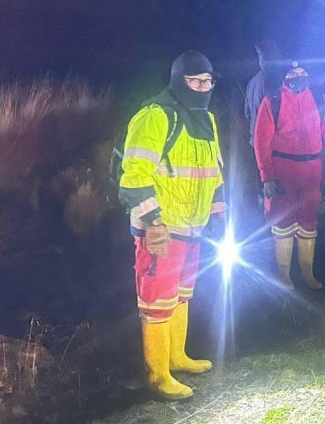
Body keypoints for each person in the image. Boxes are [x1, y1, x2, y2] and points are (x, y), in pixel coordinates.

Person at [118, 50, 226, 400]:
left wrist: (220, 216)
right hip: (161, 230)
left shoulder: (206, 120)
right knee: (156, 302)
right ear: (179, 80)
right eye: (195, 81)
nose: (203, 87)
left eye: (208, 81)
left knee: (181, 297)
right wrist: (153, 222)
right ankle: (158, 375)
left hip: (193, 228)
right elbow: (134, 177)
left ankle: (177, 358)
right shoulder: (155, 116)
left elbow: (214, 174)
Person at [254, 58, 325, 289]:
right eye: (292, 74)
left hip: (313, 171)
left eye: (302, 72)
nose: (297, 77)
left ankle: (307, 273)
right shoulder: (272, 102)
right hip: (283, 170)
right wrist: (267, 176)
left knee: (308, 222)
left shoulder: (321, 100)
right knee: (282, 222)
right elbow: (261, 141)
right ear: (283, 77)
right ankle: (284, 274)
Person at [244, 39, 284, 148]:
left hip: (254, 140)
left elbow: (247, 113)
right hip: (270, 142)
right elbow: (277, 112)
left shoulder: (251, 82)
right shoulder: (273, 80)